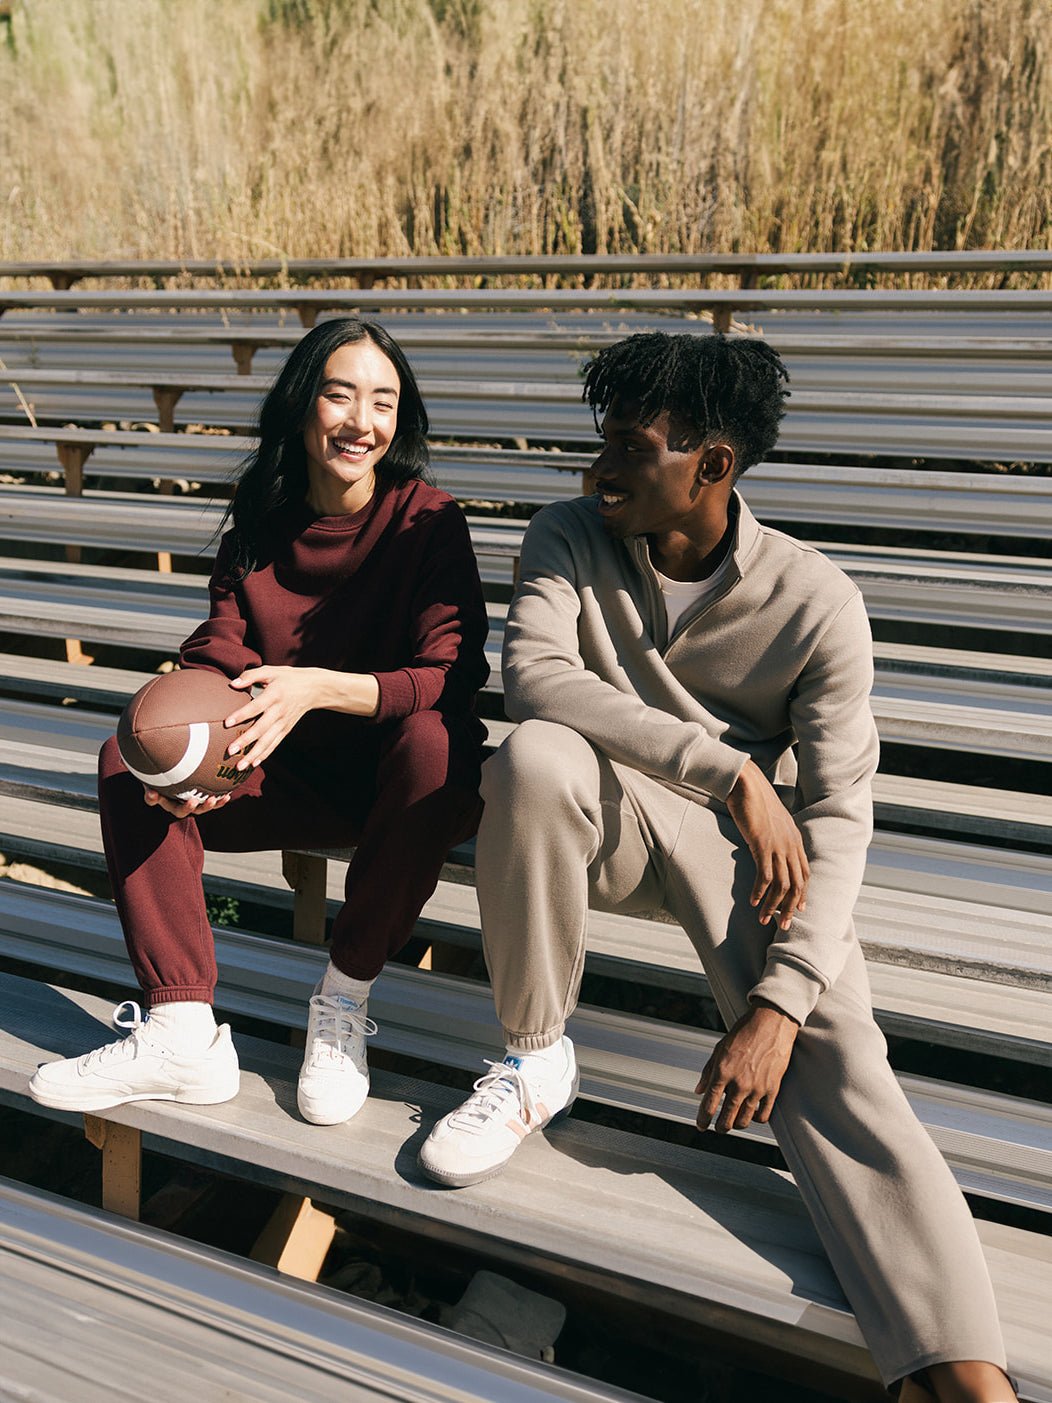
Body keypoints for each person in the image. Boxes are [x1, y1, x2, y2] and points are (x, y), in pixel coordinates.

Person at [418, 332, 1016, 1402]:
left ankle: (964, 1378)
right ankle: (531, 1056)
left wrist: (779, 1004)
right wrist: (729, 767)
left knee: (838, 1049)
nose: (599, 466)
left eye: (631, 447)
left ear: (713, 465)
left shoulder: (815, 598)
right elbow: (538, 681)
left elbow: (834, 812)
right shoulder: (565, 536)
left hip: (741, 855)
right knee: (532, 759)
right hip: (599, 821)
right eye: (599, 438)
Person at [30, 317, 489, 1128]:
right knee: (126, 756)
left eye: (383, 401)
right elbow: (218, 651)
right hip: (279, 768)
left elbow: (449, 676)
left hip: (399, 779)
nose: (362, 421)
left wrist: (318, 687)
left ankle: (343, 1002)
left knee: (436, 745)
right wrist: (193, 760)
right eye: (340, 394)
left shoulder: (429, 521)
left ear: (401, 418)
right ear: (303, 403)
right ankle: (182, 1030)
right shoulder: (260, 522)